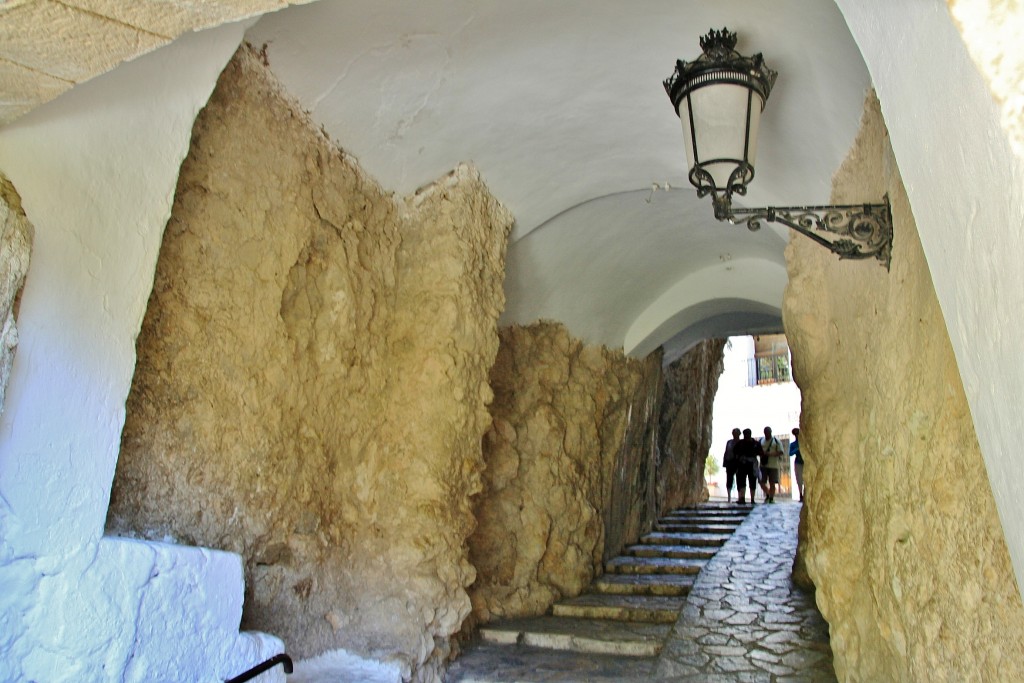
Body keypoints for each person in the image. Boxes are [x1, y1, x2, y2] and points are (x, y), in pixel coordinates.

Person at [733, 428, 761, 504]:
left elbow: (760, 452)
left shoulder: (754, 443)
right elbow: (735, 453)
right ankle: (743, 498)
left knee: (752, 481)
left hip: (751, 464)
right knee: (742, 481)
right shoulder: (741, 443)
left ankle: (751, 499)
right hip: (742, 464)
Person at [760, 426, 784, 504]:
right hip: (763, 465)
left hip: (773, 465)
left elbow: (781, 452)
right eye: (765, 432)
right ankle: (767, 493)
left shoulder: (776, 441)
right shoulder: (761, 440)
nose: (767, 434)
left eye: (768, 432)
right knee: (761, 481)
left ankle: (771, 497)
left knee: (772, 482)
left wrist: (770, 454)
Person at [722, 428, 741, 502]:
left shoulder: (741, 442)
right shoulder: (729, 442)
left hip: (738, 463)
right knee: (729, 479)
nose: (734, 434)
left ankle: (740, 497)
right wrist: (725, 462)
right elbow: (726, 452)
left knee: (739, 480)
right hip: (729, 463)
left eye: (736, 433)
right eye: (733, 433)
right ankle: (729, 497)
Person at [790, 427, 804, 501]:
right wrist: (797, 449)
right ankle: (800, 494)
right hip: (798, 462)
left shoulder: (804, 443)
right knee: (799, 479)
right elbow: (790, 453)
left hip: (805, 462)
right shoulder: (793, 444)